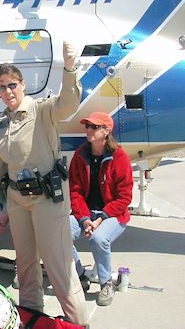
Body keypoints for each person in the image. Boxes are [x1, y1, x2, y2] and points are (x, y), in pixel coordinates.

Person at [0, 41, 89, 326]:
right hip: (18, 200)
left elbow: (67, 105)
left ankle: (78, 323)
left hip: (47, 199)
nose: (7, 91)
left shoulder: (42, 110)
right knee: (25, 268)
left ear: (22, 85)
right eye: (1, 87)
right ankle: (32, 318)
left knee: (59, 267)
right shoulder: (2, 123)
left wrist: (69, 70)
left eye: (12, 85)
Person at [69, 111, 133, 306]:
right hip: (87, 214)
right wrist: (84, 219)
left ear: (106, 131)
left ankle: (106, 283)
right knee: (59, 233)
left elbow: (125, 197)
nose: (89, 130)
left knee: (98, 239)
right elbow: (75, 192)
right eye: (87, 126)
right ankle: (79, 276)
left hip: (114, 215)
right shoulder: (80, 156)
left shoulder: (119, 157)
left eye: (94, 127)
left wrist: (101, 218)